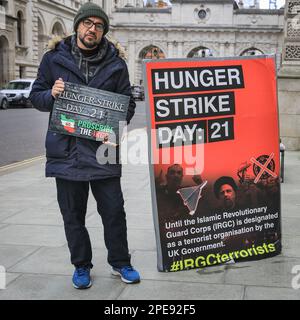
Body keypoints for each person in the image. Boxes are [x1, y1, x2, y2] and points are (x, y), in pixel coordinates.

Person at [29, 2, 140, 289]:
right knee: (72, 215)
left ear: (104, 31)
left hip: (103, 151)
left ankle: (120, 262)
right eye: (88, 23)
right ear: (77, 25)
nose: (93, 29)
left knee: (114, 211)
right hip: (66, 151)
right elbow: (36, 96)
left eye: (99, 25)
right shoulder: (53, 59)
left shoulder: (117, 64)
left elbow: (126, 104)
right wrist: (50, 94)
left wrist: (113, 128)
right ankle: (81, 265)